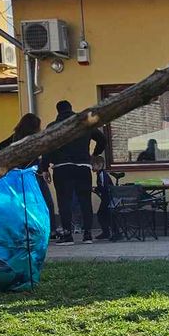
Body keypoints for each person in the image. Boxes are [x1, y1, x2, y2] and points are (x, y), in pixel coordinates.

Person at [40, 100, 106, 245]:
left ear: (58, 111)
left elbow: (47, 148)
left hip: (62, 168)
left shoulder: (53, 127)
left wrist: (44, 168)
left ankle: (68, 235)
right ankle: (87, 234)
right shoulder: (84, 123)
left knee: (64, 202)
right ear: (71, 109)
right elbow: (102, 139)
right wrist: (94, 155)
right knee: (85, 200)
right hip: (83, 166)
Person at [0, 113, 55, 224]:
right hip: (35, 173)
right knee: (45, 201)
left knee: (23, 202)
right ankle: (50, 228)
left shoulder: (15, 137)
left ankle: (25, 227)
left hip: (19, 175)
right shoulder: (35, 138)